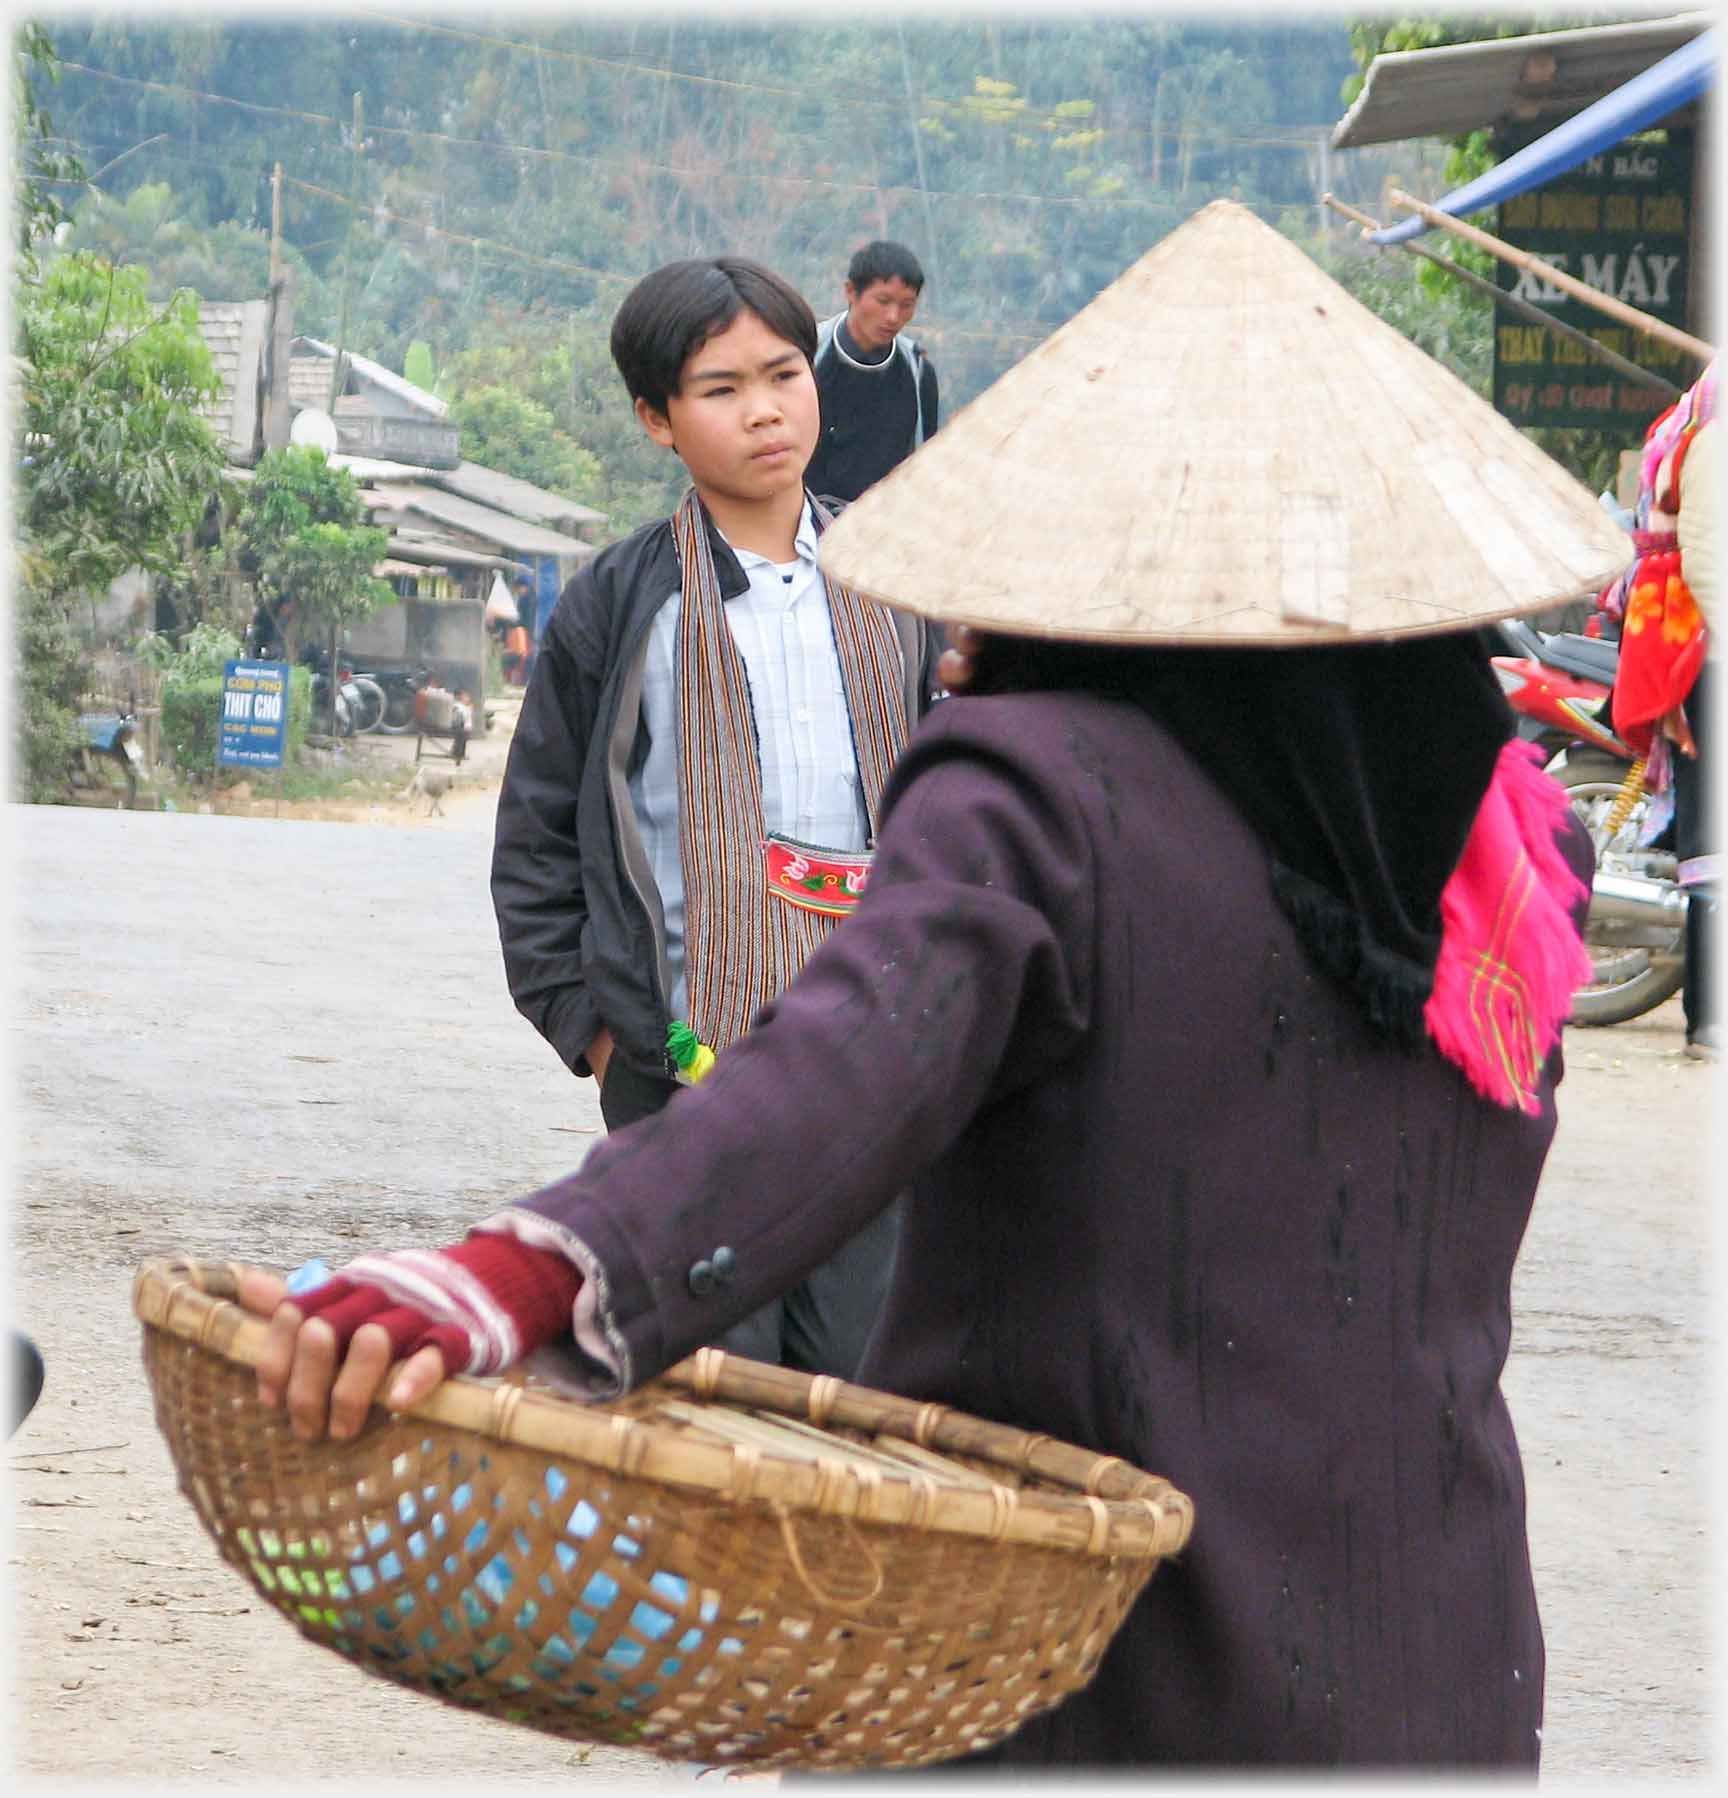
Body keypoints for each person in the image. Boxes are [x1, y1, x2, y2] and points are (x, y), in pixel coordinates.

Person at [239, 202, 1624, 1768]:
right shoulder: (1507, 845)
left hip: (1106, 1666)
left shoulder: (1039, 783)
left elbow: (844, 1062)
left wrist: (534, 1273)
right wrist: (604, 1019)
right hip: (1442, 1661)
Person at [488, 255, 941, 1378]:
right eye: (720, 388)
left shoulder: (906, 589)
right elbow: (538, 832)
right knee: (707, 1376)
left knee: (855, 1379)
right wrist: (598, 1031)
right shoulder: (621, 602)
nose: (764, 409)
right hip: (683, 1063)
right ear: (658, 419)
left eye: (783, 373)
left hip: (876, 1066)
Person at [1601, 359, 1716, 1057]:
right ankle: (1710, 1016)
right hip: (1706, 651)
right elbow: (1708, 558)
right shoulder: (1720, 430)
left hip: (1695, 641)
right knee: (1714, 846)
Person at [802, 240, 939, 503]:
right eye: (883, 300)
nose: (893, 317)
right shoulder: (806, 356)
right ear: (851, 292)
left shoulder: (918, 372)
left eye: (906, 305)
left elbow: (923, 460)